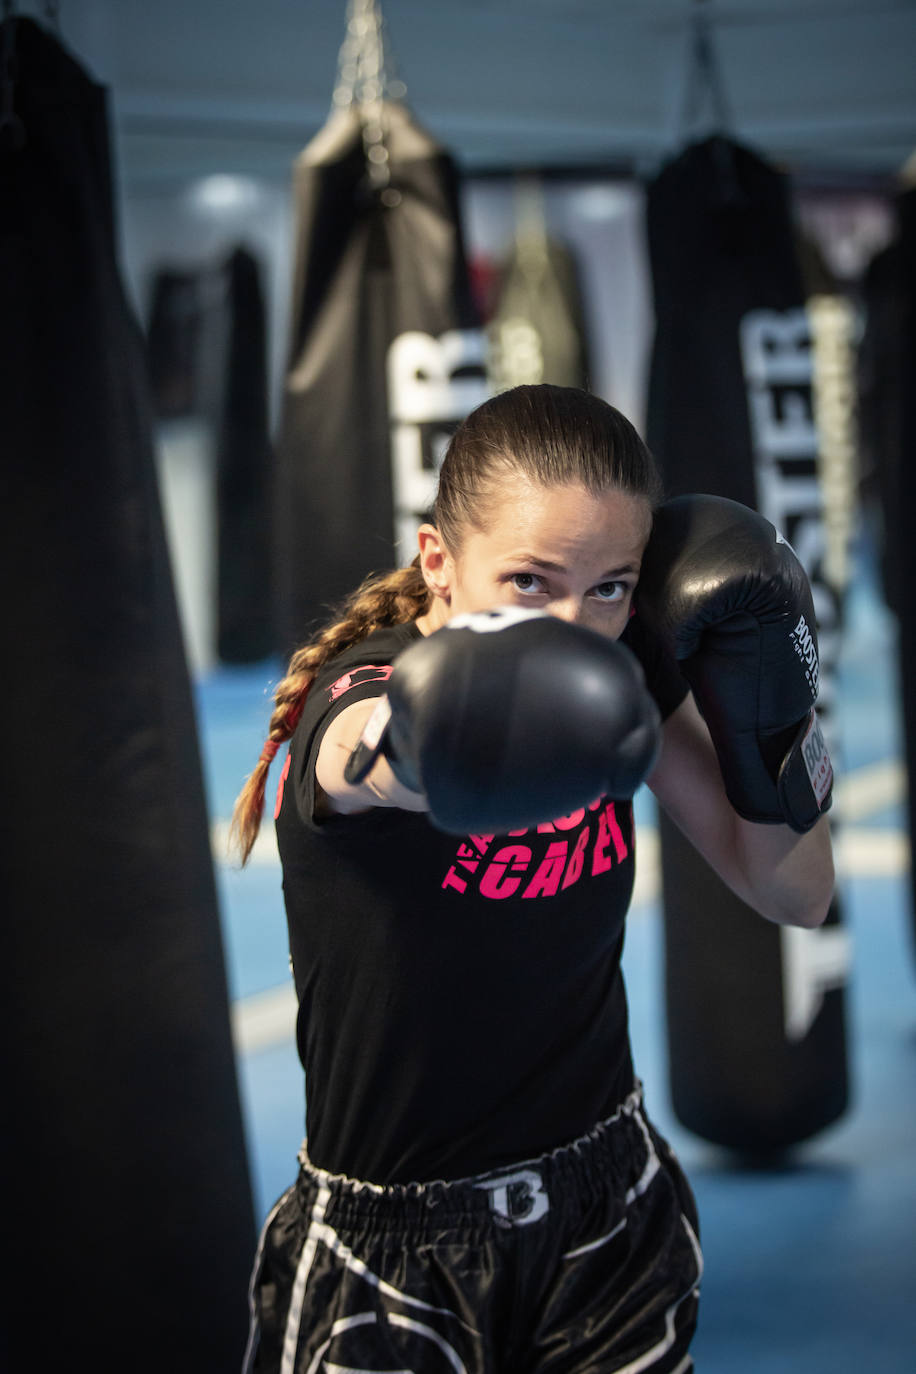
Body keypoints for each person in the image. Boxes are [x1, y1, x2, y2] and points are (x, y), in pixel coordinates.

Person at [232, 384, 835, 1373]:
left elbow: (796, 893)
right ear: (438, 560)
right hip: (393, 1255)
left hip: (607, 1214)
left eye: (609, 586)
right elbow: (357, 756)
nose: (569, 625)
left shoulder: (621, 674)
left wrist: (770, 716)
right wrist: (427, 741)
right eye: (527, 580)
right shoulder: (364, 690)